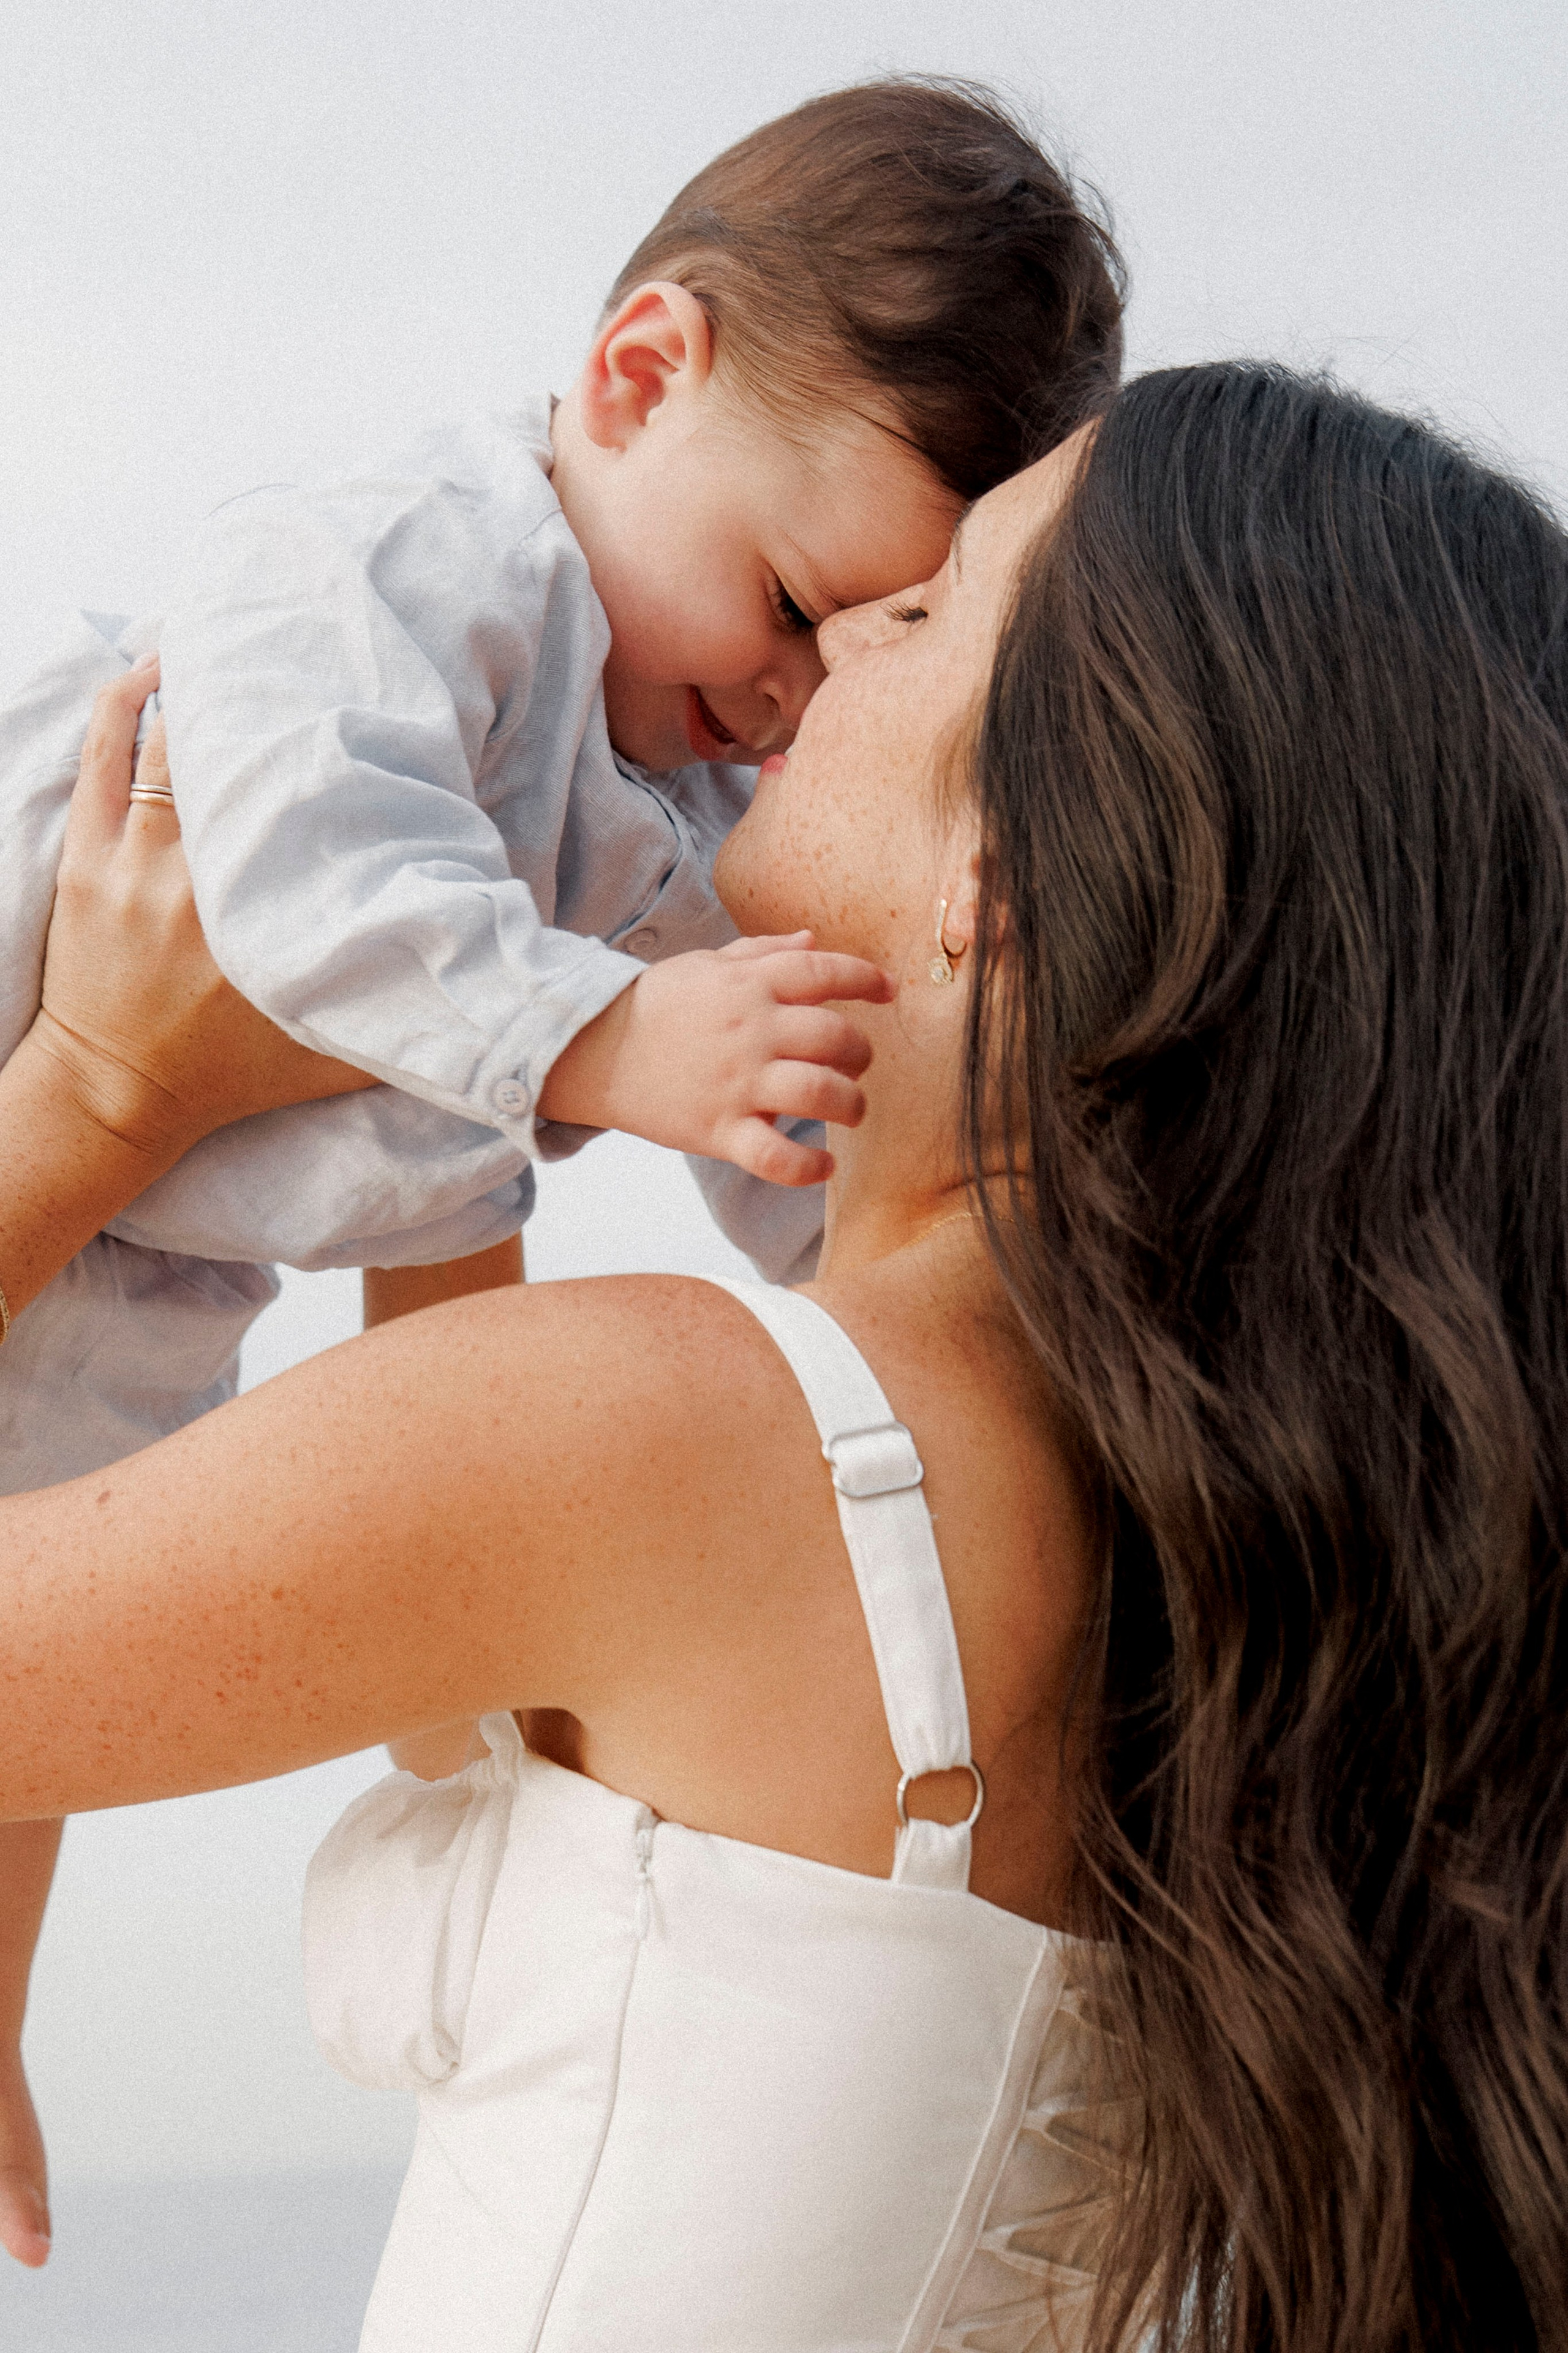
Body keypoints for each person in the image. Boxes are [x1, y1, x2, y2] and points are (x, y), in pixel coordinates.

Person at [3, 360, 1564, 2352]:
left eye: (916, 616)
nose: (808, 668)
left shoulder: (692, 1438)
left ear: (1006, 863)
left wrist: (100, 1095)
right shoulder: (1186, 1576)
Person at [0, 77, 1124, 2251]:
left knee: (46, 1598)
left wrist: (777, 1175)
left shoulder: (672, 790)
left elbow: (698, 1140)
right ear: (635, 374)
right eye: (808, 607)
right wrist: (609, 1042)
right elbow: (298, 867)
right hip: (48, 902)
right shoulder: (447, 562)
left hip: (142, 1224)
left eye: (882, 640)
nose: (797, 698)